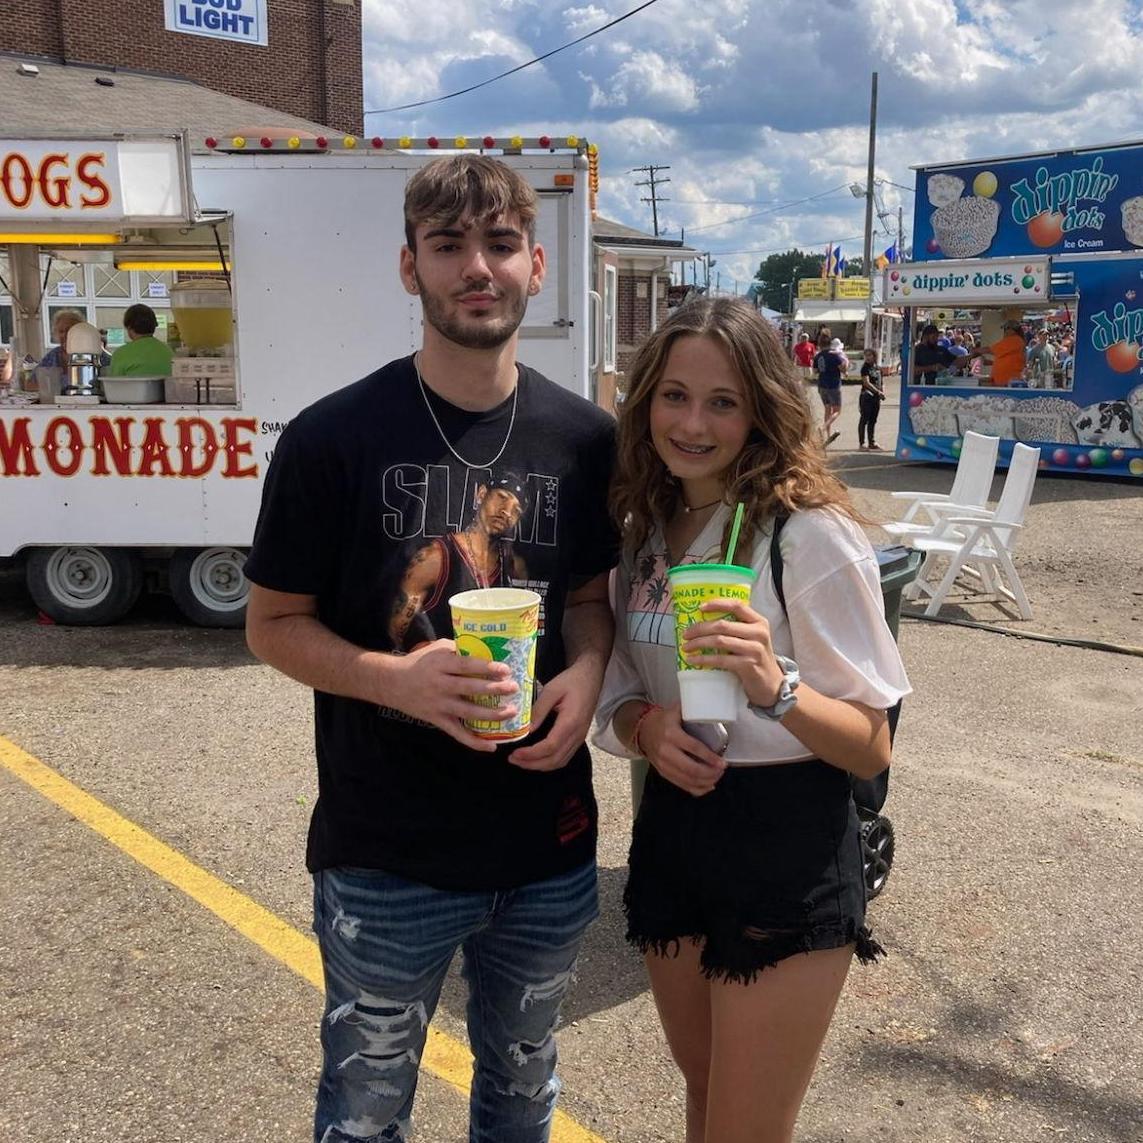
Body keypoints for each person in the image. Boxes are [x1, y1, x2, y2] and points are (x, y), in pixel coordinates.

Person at [243, 152, 618, 1143]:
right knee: (367, 1112)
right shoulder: (333, 439)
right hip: (385, 855)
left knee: (524, 1092)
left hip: (548, 848)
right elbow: (271, 624)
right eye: (449, 247)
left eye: (499, 245)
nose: (477, 269)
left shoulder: (586, 440)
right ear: (410, 268)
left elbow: (588, 599)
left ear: (537, 265)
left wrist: (586, 673)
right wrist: (391, 682)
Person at [594, 297, 910, 1143]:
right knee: (704, 1096)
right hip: (673, 828)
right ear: (644, 401)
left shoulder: (806, 534)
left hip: (785, 841)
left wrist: (774, 685)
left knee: (745, 1127)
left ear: (761, 408)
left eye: (722, 401)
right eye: (673, 395)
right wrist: (645, 731)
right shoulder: (646, 532)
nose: (692, 423)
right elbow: (620, 689)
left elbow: (870, 740)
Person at [389, 470, 530, 648]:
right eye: (502, 497)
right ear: (482, 494)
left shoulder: (514, 566)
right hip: (439, 670)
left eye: (516, 510)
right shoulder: (438, 557)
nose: (507, 512)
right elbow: (395, 632)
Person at [106, 304, 174, 377]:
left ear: (129, 327)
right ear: (154, 326)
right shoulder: (168, 351)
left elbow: (114, 385)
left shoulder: (120, 354)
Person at [966, 319, 1026, 387]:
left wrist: (975, 350)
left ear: (1011, 330)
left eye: (1005, 329)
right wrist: (992, 363)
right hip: (1004, 380)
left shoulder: (1014, 340)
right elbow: (1010, 359)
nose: (1004, 332)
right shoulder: (1016, 341)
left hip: (1007, 381)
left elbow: (990, 350)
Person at [812, 334, 845, 444]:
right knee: (837, 411)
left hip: (822, 384)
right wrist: (845, 367)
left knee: (827, 409)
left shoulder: (818, 356)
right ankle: (823, 428)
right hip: (833, 385)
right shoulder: (835, 356)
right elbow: (842, 368)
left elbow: (815, 371)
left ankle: (828, 434)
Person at [858, 347, 885, 450]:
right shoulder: (865, 368)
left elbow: (881, 382)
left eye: (870, 355)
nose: (868, 357)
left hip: (876, 398)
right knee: (864, 419)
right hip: (866, 396)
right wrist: (877, 392)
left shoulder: (878, 368)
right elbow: (866, 382)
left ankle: (871, 442)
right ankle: (862, 443)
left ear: (874, 356)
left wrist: (882, 391)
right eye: (866, 355)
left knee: (873, 420)